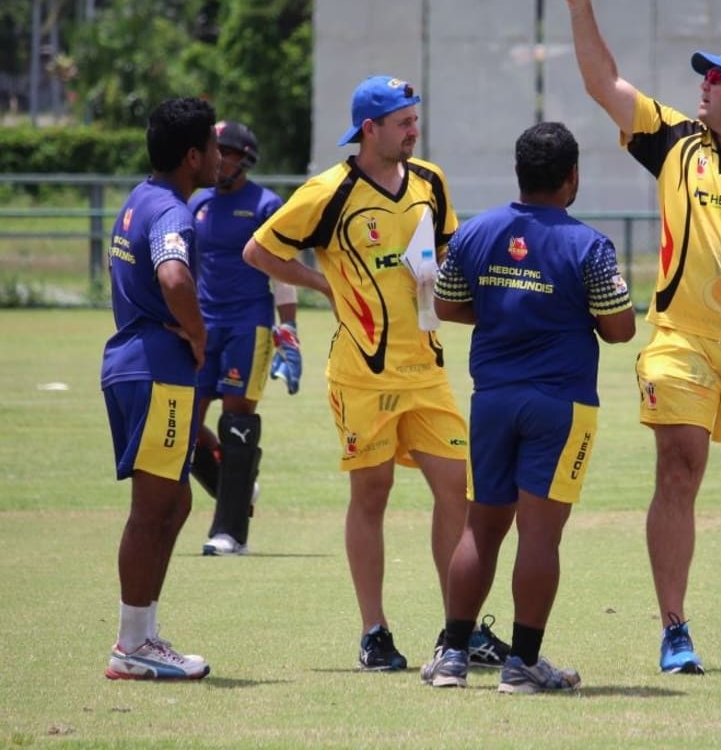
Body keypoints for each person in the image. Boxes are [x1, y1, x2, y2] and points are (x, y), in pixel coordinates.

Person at [548, 0, 721, 674]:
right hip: (680, 340)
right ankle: (673, 629)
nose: (703, 83)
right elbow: (605, 84)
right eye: (704, 74)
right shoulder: (675, 140)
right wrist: (581, 4)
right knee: (679, 467)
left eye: (717, 76)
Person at [242, 74, 509, 671]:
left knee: (457, 493)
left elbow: (448, 251)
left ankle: (458, 631)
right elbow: (259, 251)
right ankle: (374, 632)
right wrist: (322, 284)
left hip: (427, 368)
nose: (415, 130)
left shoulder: (430, 181)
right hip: (361, 373)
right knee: (373, 493)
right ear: (370, 129)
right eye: (404, 123)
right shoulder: (328, 191)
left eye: (416, 119)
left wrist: (443, 277)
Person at [420, 121, 636, 693]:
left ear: (519, 173)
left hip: (491, 399)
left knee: (481, 527)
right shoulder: (588, 245)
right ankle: (522, 666)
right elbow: (618, 329)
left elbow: (445, 304)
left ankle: (452, 658)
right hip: (560, 405)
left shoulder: (475, 232)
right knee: (539, 535)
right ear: (572, 177)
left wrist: (500, 313)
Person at [100, 96, 220, 680]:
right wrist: (197, 335)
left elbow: (123, 271)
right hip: (157, 369)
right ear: (193, 156)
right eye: (215, 147)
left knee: (175, 501)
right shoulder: (174, 210)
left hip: (131, 361)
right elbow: (173, 275)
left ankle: (143, 636)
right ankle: (131, 647)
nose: (222, 156)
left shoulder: (138, 201)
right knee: (153, 510)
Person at [187, 119, 302, 557]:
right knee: (186, 425)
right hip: (203, 323)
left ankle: (230, 533)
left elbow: (283, 267)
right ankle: (235, 486)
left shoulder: (266, 204)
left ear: (243, 158)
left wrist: (287, 327)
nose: (217, 161)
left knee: (235, 420)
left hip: (248, 325)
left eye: (225, 153)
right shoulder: (198, 204)